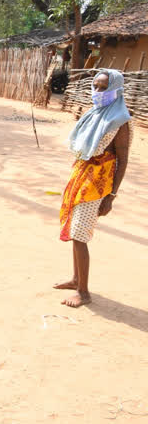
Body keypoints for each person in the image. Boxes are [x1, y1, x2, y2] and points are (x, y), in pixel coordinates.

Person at [55, 69, 132, 308]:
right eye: (95, 86)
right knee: (75, 230)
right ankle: (76, 279)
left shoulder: (120, 121)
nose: (97, 91)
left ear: (115, 90)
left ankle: (84, 292)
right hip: (82, 175)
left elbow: (123, 160)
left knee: (79, 234)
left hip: (99, 182)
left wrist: (112, 196)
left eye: (103, 87)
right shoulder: (93, 114)